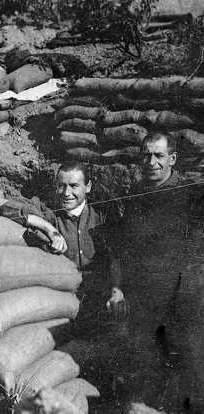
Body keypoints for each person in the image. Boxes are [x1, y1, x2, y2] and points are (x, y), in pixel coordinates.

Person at [114, 131, 204, 411]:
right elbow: (123, 249)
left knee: (191, 364)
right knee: (144, 366)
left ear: (172, 159)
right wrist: (118, 289)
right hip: (145, 297)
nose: (151, 162)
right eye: (146, 155)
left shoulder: (190, 194)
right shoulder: (134, 196)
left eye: (158, 155)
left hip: (183, 297)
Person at [0, 161, 127, 318]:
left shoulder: (102, 214)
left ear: (88, 187)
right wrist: (50, 230)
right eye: (61, 186)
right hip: (61, 301)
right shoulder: (50, 211)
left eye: (74, 186)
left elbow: (116, 257)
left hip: (100, 301)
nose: (66, 193)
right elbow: (9, 208)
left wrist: (117, 290)